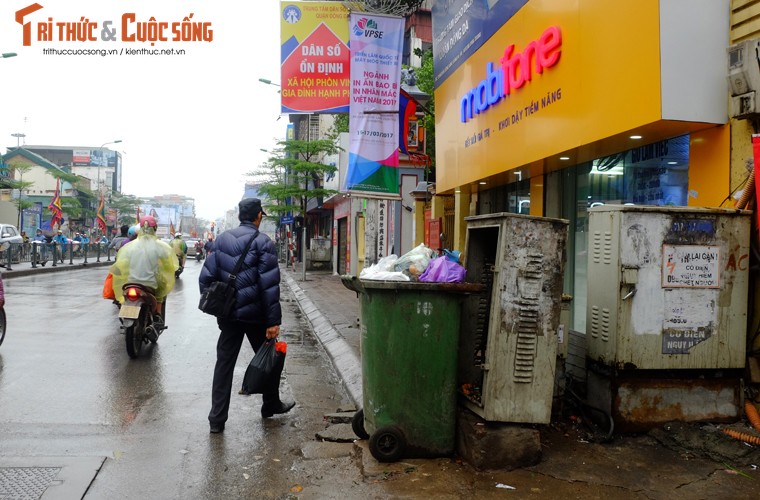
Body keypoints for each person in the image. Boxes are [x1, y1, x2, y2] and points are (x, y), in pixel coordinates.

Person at [199, 198, 293, 433]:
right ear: (258, 216)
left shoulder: (221, 240)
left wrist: (222, 305)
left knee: (224, 366)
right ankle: (270, 404)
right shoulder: (264, 242)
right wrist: (273, 321)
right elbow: (269, 286)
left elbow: (205, 278)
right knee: (269, 361)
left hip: (229, 317)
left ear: (241, 215)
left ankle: (216, 421)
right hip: (255, 317)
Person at [109, 216, 178, 320]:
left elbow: (120, 265)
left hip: (130, 283)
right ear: (155, 228)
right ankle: (158, 315)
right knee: (162, 289)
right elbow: (169, 266)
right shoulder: (161, 246)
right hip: (150, 285)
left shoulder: (129, 246)